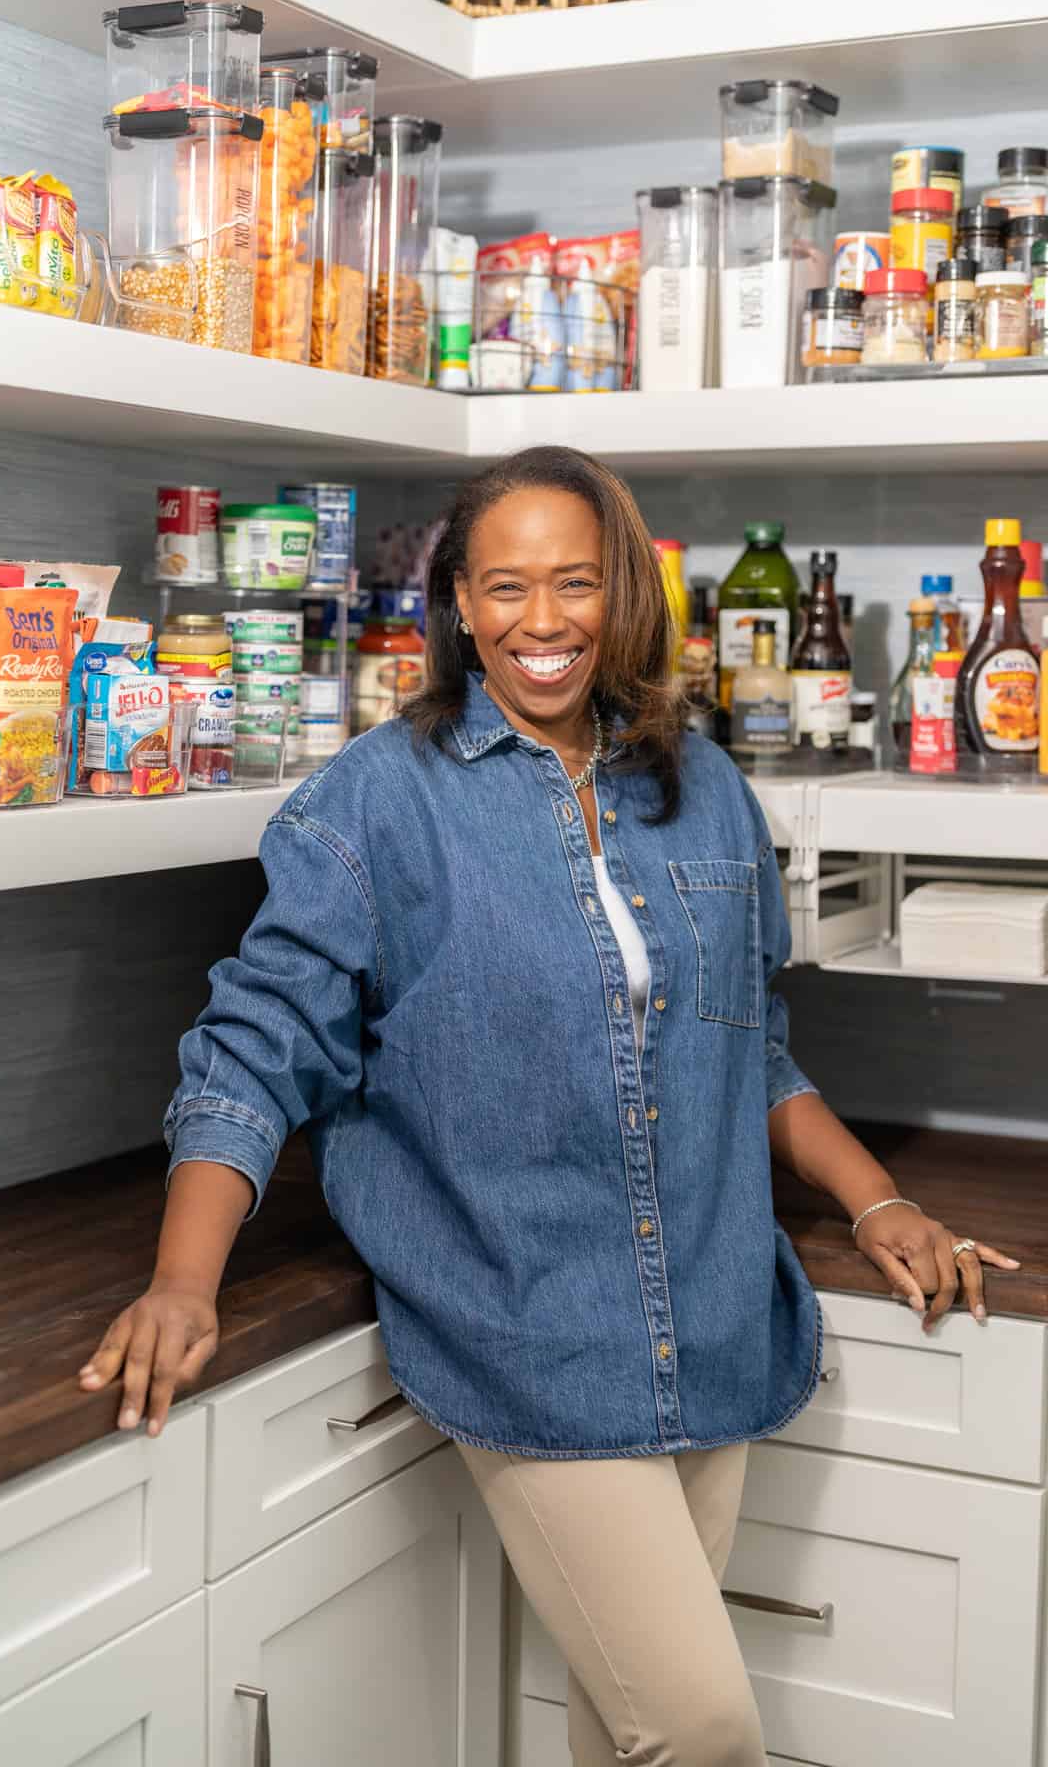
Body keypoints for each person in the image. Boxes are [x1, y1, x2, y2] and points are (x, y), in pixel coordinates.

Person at [80, 446, 1019, 1766]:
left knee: (626, 1732)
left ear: (621, 593)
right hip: (527, 1328)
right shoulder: (378, 800)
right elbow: (255, 1049)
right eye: (507, 586)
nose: (544, 619)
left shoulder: (703, 792)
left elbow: (743, 1047)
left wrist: (877, 1199)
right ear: (461, 605)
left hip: (711, 1315)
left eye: (575, 582)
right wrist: (184, 1282)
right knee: (697, 1731)